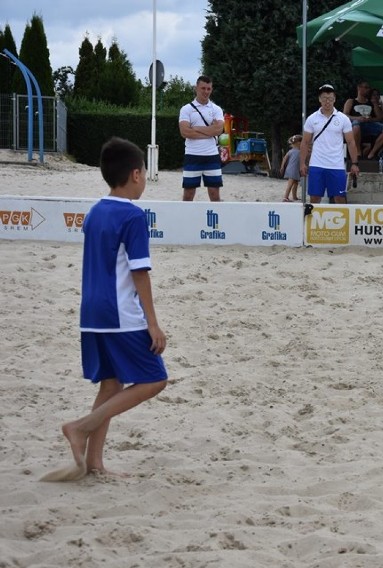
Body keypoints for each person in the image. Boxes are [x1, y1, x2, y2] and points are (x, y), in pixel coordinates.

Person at [58, 137, 168, 478]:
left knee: (111, 386)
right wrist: (153, 323)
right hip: (119, 313)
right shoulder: (133, 216)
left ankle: (94, 463)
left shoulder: (95, 212)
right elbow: (139, 273)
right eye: (145, 173)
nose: (145, 180)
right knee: (155, 380)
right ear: (136, 174)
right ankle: (81, 427)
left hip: (91, 313)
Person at [299, 84, 360, 204]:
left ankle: (342, 222)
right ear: (319, 99)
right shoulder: (312, 118)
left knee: (340, 198)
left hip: (336, 165)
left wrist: (355, 163)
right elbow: (305, 142)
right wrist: (302, 163)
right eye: (324, 98)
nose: (327, 101)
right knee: (314, 198)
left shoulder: (343, 119)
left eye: (330, 98)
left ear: (334, 99)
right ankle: (315, 222)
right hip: (316, 164)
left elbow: (351, 142)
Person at [178, 75, 225, 202]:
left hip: (211, 154)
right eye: (203, 88)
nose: (206, 92)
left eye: (209, 89)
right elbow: (184, 132)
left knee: (215, 194)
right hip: (192, 154)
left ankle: (217, 221)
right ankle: (186, 220)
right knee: (188, 193)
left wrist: (196, 128)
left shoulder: (216, 109)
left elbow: (219, 130)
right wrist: (209, 131)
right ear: (196, 88)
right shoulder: (186, 109)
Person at [343, 81, 383, 153]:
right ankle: (357, 151)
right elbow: (344, 115)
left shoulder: (371, 103)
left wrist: (371, 119)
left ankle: (374, 151)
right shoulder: (351, 101)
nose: (368, 90)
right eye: (366, 87)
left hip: (369, 124)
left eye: (368, 88)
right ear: (359, 88)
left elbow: (380, 118)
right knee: (356, 124)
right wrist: (357, 118)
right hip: (355, 126)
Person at [279, 134, 302, 202]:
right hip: (292, 169)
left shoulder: (294, 151)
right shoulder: (292, 151)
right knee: (290, 184)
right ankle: (285, 197)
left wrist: (282, 167)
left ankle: (294, 197)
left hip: (294, 169)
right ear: (298, 143)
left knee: (295, 183)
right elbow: (284, 159)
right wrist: (282, 167)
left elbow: (284, 159)